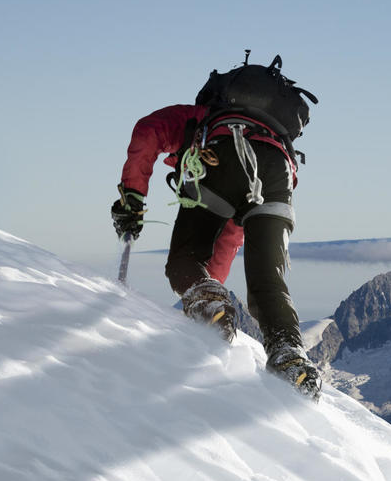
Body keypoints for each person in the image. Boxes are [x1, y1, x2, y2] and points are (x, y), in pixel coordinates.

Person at [110, 54, 322, 399]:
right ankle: (289, 356)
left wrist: (132, 197)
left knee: (182, 261)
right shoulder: (271, 132)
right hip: (278, 172)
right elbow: (228, 239)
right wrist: (211, 297)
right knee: (268, 279)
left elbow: (147, 130)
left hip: (223, 157)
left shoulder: (199, 117)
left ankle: (211, 302)